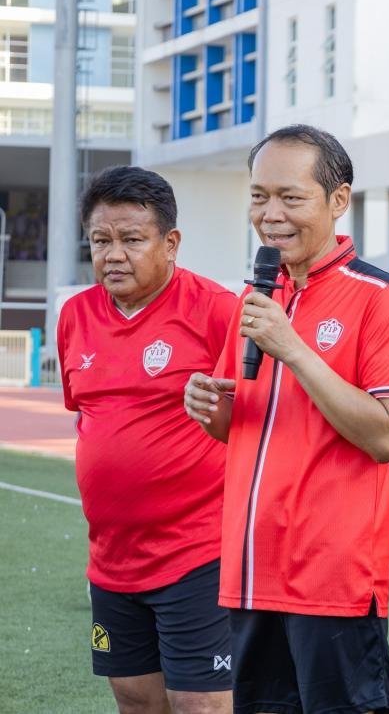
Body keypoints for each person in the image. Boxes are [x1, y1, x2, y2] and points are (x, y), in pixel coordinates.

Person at [183, 125, 389, 714]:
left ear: (338, 200)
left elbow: (386, 435)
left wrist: (293, 349)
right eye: (259, 196)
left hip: (331, 582)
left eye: (290, 197)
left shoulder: (382, 297)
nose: (271, 215)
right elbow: (238, 425)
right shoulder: (258, 296)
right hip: (250, 575)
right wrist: (208, 407)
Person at [58, 166, 237, 714]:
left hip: (198, 553)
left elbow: (256, 417)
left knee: (201, 704)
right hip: (112, 558)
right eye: (100, 241)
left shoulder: (217, 310)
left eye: (132, 240)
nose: (113, 255)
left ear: (170, 243)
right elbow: (90, 419)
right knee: (134, 698)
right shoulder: (75, 316)